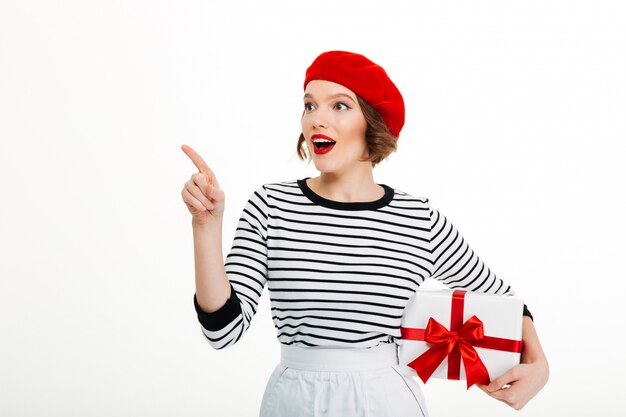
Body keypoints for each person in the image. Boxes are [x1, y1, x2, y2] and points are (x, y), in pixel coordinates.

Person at [181, 50, 549, 416]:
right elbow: (222, 332)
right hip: (294, 400)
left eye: (339, 106)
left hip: (387, 398)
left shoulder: (418, 218)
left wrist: (540, 366)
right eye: (309, 106)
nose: (316, 120)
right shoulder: (271, 205)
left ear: (371, 123)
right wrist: (207, 227)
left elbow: (501, 299)